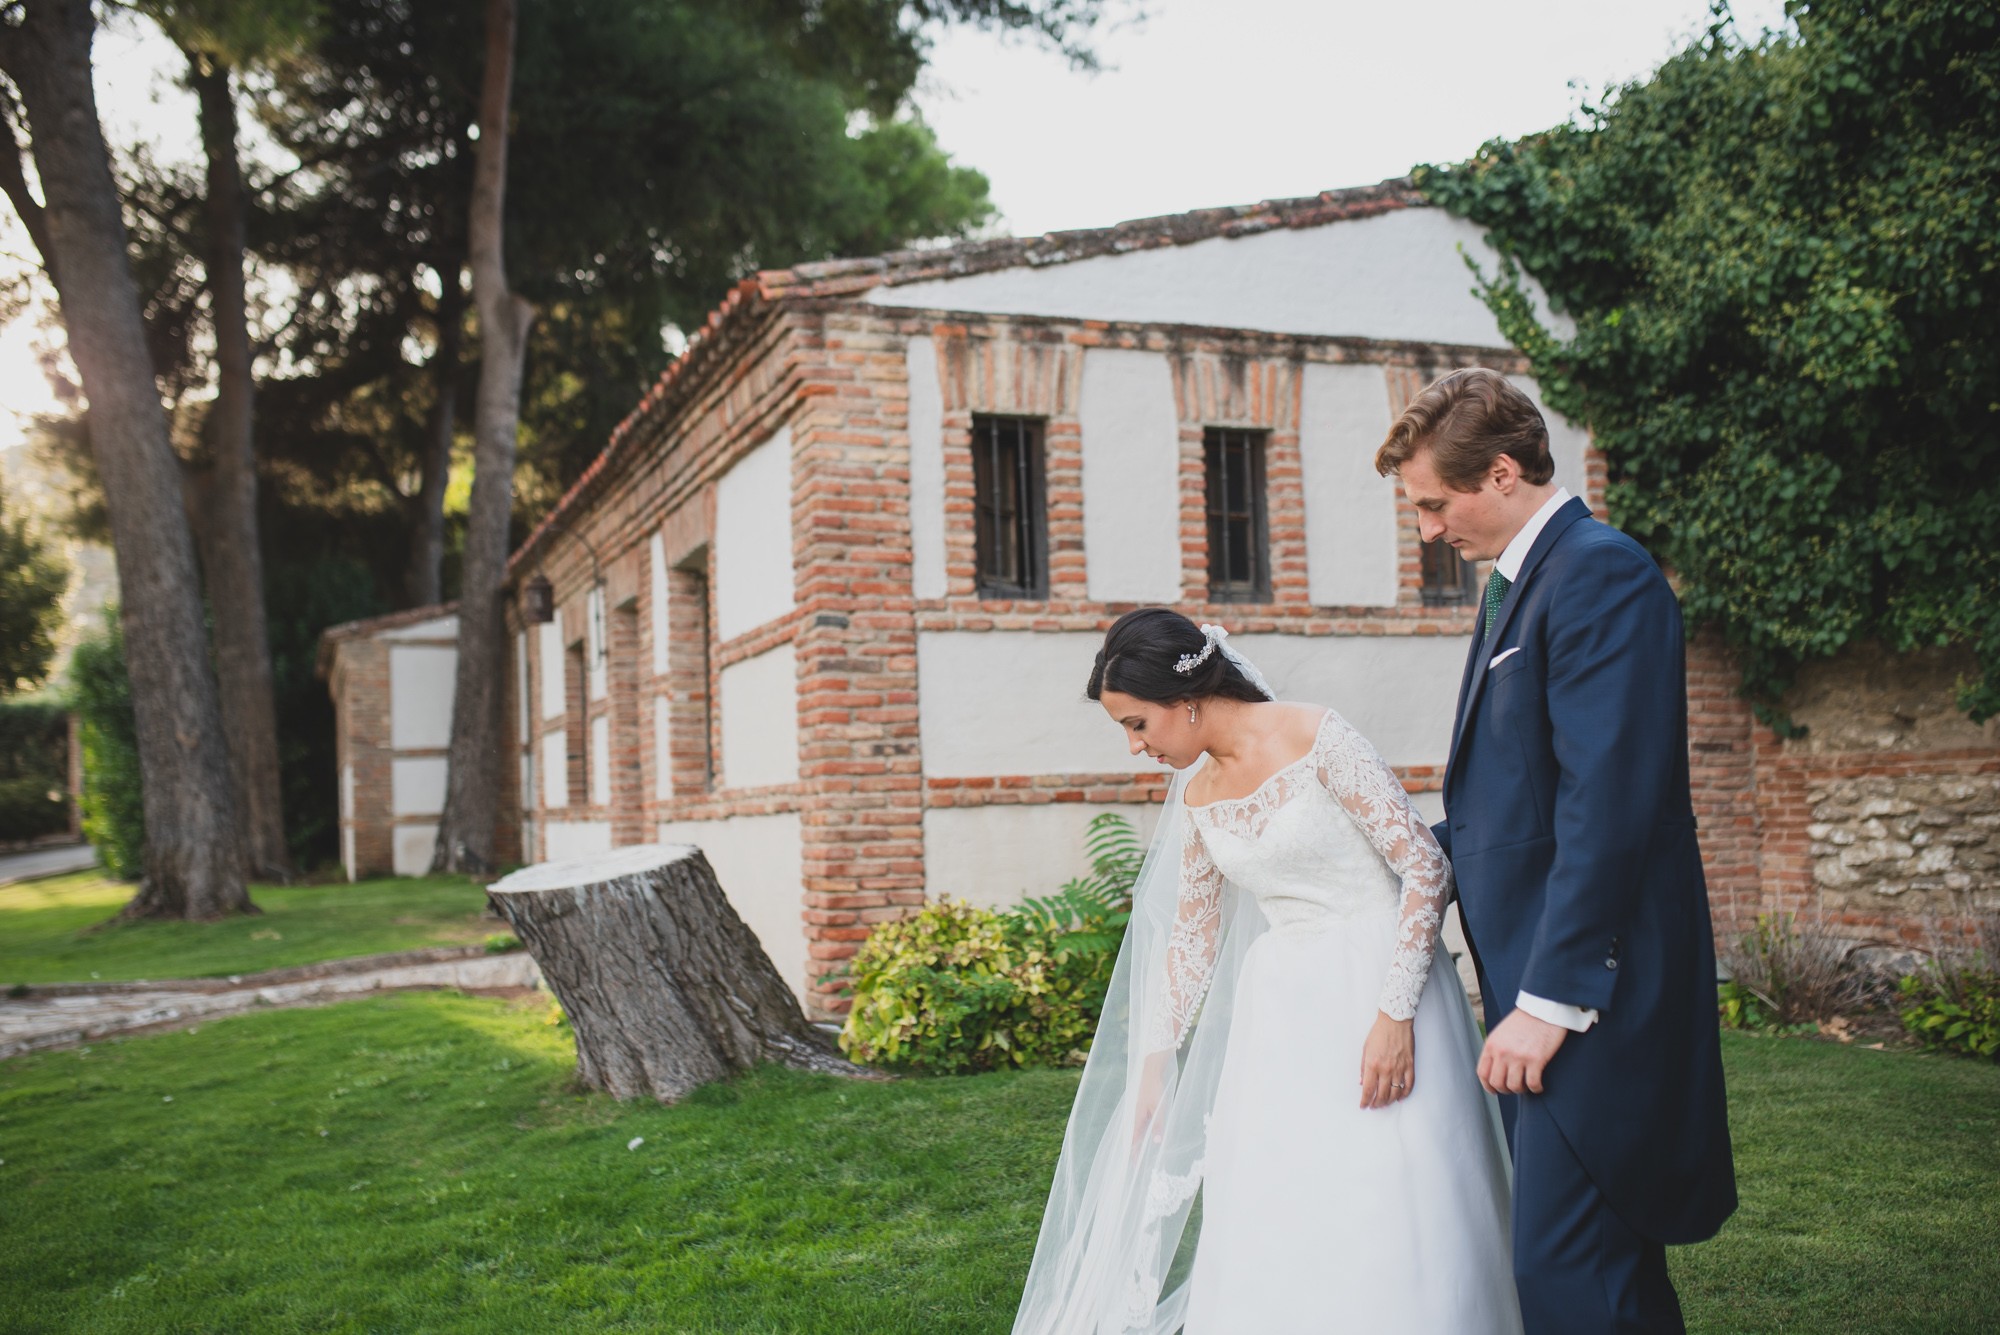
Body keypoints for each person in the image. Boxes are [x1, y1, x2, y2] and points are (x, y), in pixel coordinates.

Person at [1013, 608, 1522, 1334]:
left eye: (1137, 723)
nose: (1134, 747)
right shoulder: (1196, 797)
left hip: (1379, 982)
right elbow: (1191, 938)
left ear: (1184, 699)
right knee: (1281, 1192)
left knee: (1385, 1188)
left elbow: (1424, 865)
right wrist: (1155, 1065)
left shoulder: (1317, 736)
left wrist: (1394, 1011)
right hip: (1283, 1004)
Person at [1374, 367, 1736, 1333]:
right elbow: (1520, 805)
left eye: (1433, 503)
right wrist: (1387, 853)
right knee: (1592, 1274)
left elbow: (1607, 804)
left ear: (1500, 474)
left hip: (1588, 1004)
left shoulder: (1599, 573)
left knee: (1572, 1274)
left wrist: (1548, 1002)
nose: (1427, 529)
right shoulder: (1519, 585)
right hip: (1545, 989)